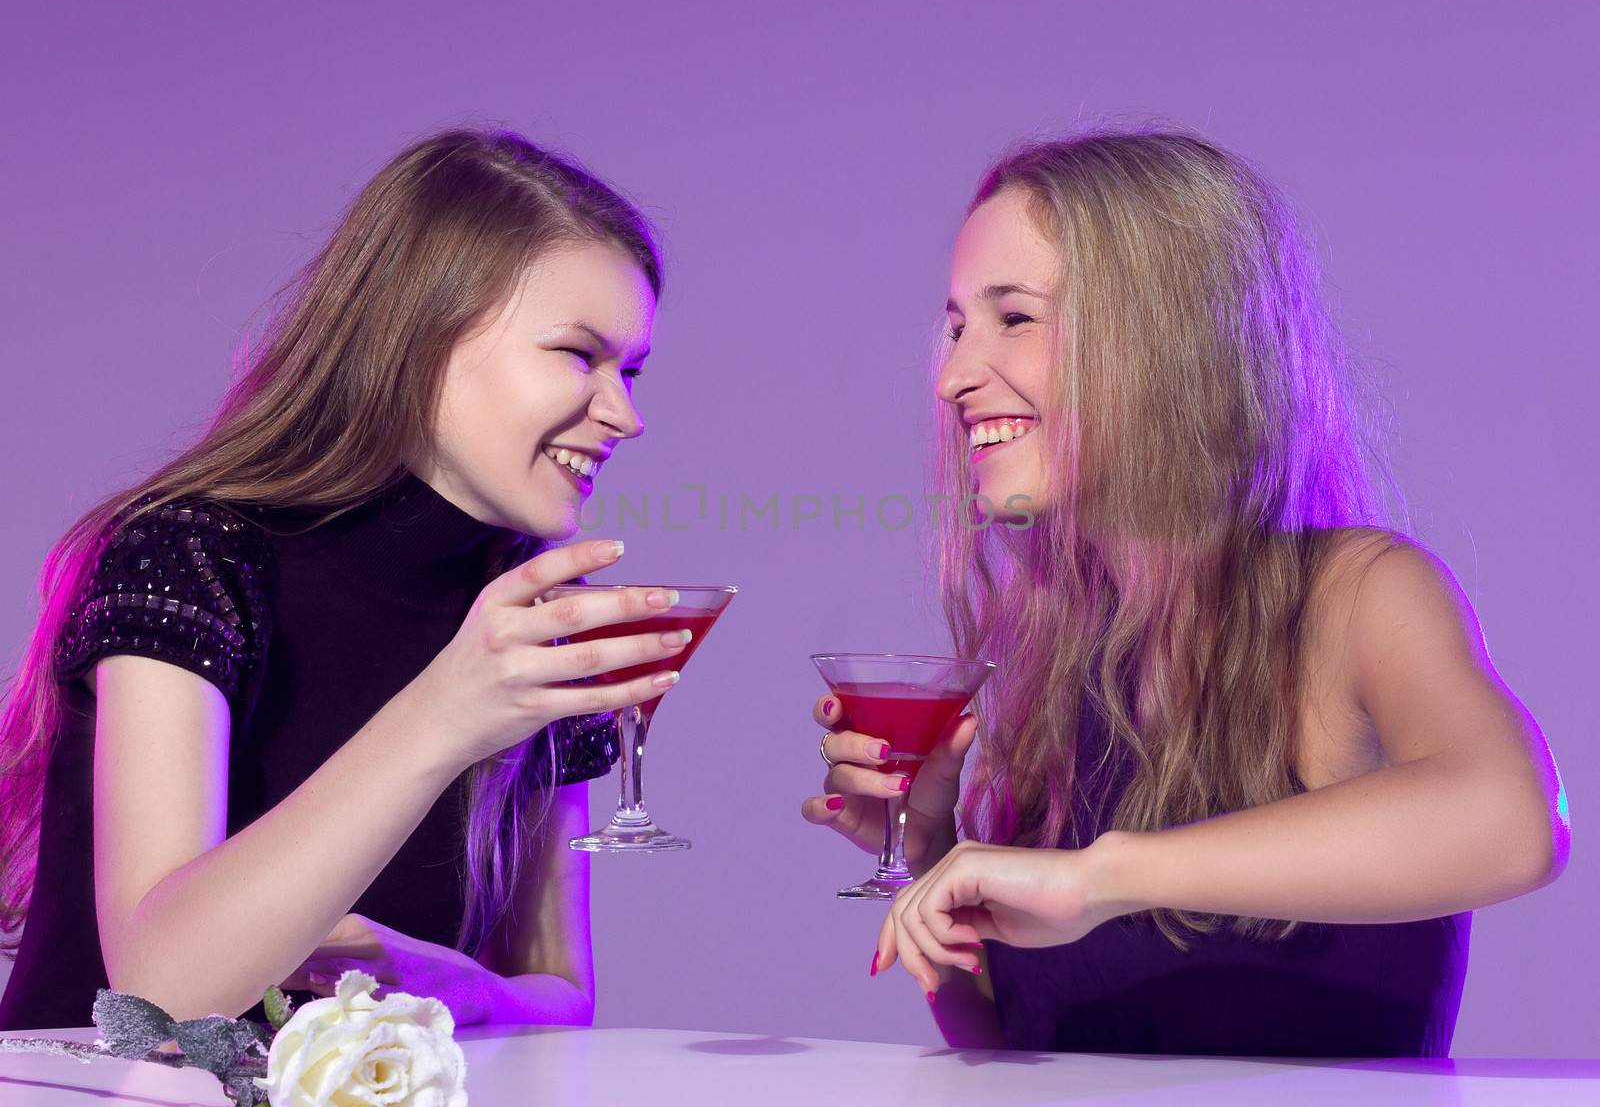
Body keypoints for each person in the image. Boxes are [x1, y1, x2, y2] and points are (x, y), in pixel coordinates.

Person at [802, 130, 1569, 1056]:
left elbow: (1515, 823)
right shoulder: (1062, 659)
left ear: (1163, 340)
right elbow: (1014, 1051)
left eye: (1015, 318)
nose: (952, 376)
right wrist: (928, 852)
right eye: (958, 326)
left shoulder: (1356, 594)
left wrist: (1105, 876)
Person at [0, 128, 688, 1029]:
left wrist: (449, 981)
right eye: (577, 355)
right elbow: (156, 991)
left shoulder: (528, 623)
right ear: (420, 339)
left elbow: (560, 999)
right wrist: (446, 710)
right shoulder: (188, 555)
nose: (624, 415)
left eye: (630, 370)